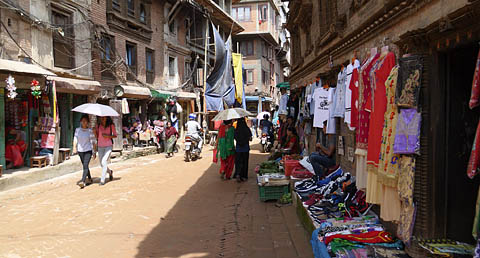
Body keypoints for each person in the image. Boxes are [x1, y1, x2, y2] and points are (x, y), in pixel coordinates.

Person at [73, 114, 96, 189]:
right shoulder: (77, 130)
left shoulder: (90, 131)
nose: (84, 123)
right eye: (83, 121)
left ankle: (83, 181)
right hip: (80, 150)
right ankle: (89, 177)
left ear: (88, 122)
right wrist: (74, 147)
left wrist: (94, 152)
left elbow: (93, 142)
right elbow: (75, 139)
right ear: (80, 122)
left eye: (85, 121)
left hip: (88, 150)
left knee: (85, 165)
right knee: (85, 165)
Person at [96, 116, 117, 185]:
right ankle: (110, 172)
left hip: (108, 146)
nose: (102, 118)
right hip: (100, 146)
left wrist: (108, 136)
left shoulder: (111, 126)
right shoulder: (98, 126)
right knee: (102, 164)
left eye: (104, 117)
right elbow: (97, 136)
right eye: (101, 117)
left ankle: (102, 180)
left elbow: (115, 135)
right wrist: (94, 132)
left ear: (107, 118)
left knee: (104, 161)